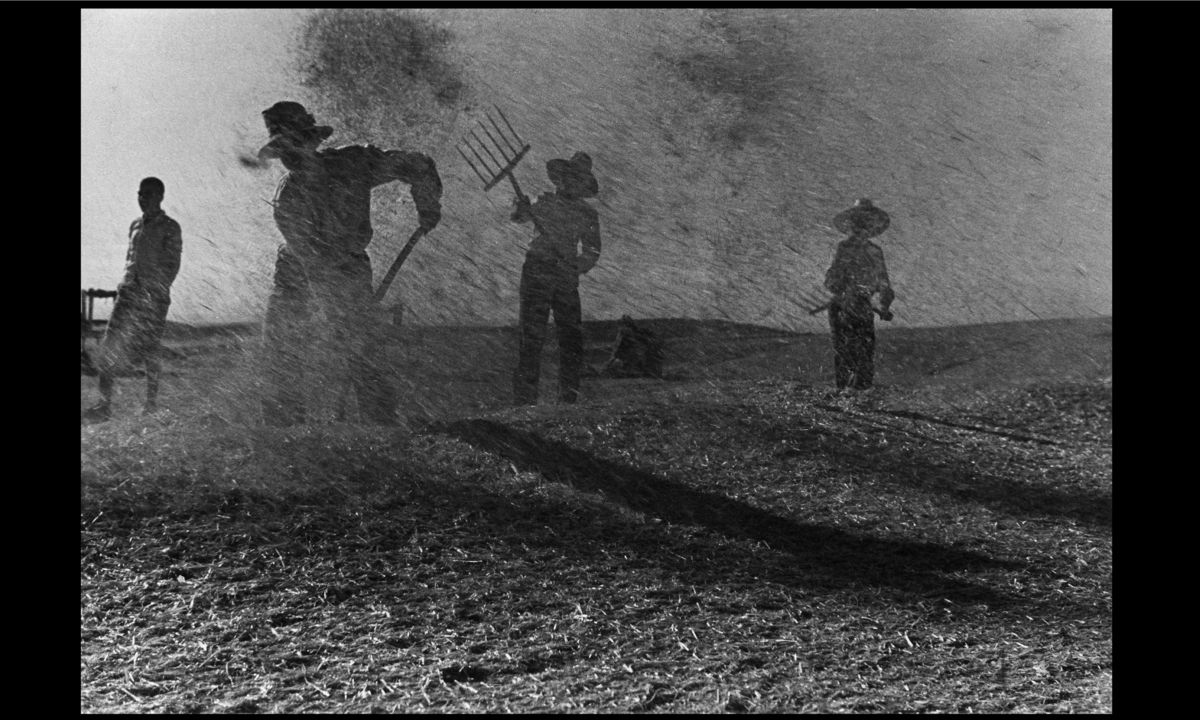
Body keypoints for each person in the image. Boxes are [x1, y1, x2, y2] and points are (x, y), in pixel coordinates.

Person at [256, 101, 442, 426]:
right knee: (283, 345)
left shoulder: (354, 163)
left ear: (311, 142)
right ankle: (284, 432)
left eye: (293, 145)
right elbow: (313, 262)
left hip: (349, 266)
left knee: (364, 347)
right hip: (296, 272)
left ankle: (380, 425)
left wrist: (427, 205)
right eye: (282, 150)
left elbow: (419, 165)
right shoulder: (288, 198)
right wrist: (338, 308)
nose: (288, 157)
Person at [82, 177, 183, 422]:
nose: (142, 198)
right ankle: (104, 406)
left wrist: (155, 291)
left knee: (151, 347)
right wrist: (126, 286)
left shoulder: (170, 226)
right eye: (140, 194)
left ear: (160, 196)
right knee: (110, 344)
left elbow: (172, 265)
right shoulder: (135, 225)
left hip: (154, 295)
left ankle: (151, 405)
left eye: (148, 194)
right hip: (128, 292)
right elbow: (130, 259)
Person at [510, 151, 601, 405]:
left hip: (565, 276)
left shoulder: (587, 214)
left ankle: (568, 400)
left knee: (571, 338)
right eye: (568, 177)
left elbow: (592, 251)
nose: (571, 183)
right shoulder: (544, 202)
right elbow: (518, 217)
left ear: (583, 185)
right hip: (537, 271)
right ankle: (525, 402)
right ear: (560, 178)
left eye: (577, 179)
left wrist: (575, 266)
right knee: (531, 336)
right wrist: (520, 207)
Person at [823, 198, 895, 391]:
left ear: (870, 226)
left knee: (865, 353)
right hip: (842, 306)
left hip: (863, 307)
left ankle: (860, 396)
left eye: (865, 223)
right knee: (844, 352)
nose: (861, 227)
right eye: (857, 222)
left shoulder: (875, 252)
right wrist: (844, 286)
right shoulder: (842, 249)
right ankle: (845, 395)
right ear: (851, 224)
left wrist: (884, 306)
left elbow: (884, 284)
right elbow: (830, 281)